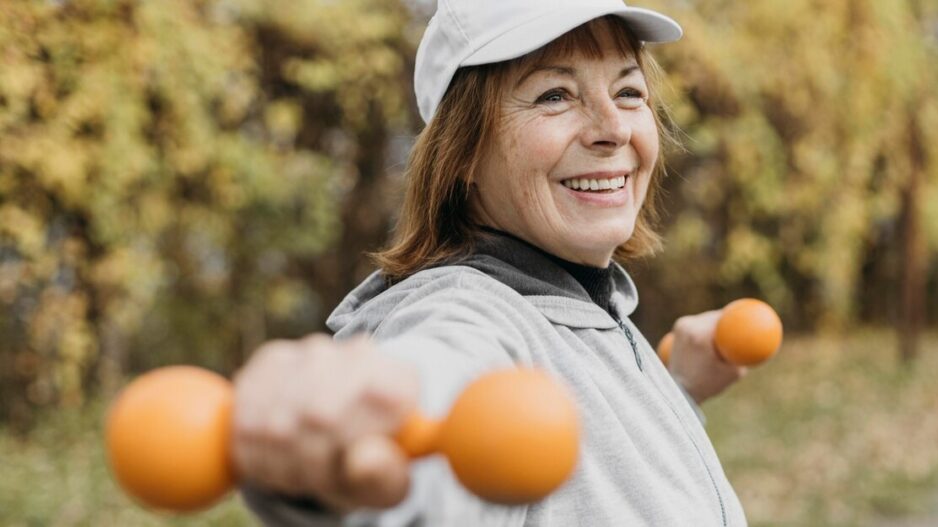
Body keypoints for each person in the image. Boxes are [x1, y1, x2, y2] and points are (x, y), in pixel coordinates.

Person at [237, 0, 750, 525]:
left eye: (628, 92)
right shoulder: (466, 315)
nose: (613, 128)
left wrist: (676, 390)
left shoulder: (585, 300)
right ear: (462, 153)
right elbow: (441, 391)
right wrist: (357, 446)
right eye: (555, 95)